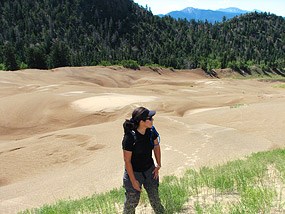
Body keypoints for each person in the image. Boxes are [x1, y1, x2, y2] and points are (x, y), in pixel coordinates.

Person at [122, 107, 165, 214]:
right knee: (131, 203)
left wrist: (158, 164)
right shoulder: (130, 137)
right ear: (141, 122)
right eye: (150, 118)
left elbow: (156, 146)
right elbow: (127, 161)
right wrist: (133, 181)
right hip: (134, 173)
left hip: (150, 171)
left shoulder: (151, 131)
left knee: (155, 199)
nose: (152, 121)